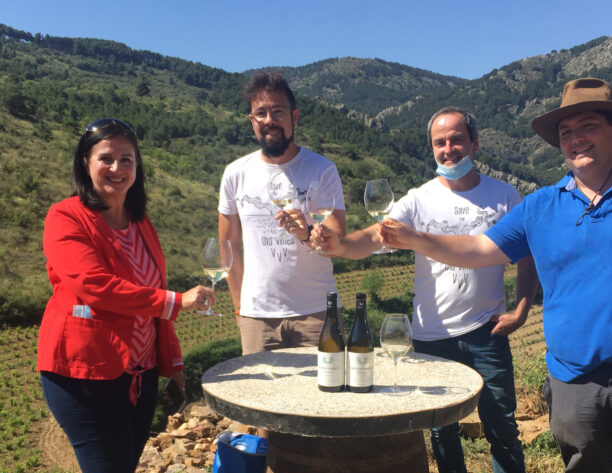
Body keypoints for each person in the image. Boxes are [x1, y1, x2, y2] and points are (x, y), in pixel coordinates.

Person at [379, 78, 612, 473]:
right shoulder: (541, 205)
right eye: (566, 132)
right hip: (573, 382)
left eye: (588, 125)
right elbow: (478, 250)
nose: (576, 139)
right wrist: (415, 238)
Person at [313, 107, 536, 473]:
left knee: (502, 428)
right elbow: (372, 238)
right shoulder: (417, 200)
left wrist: (522, 309)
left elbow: (527, 256)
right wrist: (337, 246)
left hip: (486, 331)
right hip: (432, 335)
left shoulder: (504, 196)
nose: (449, 148)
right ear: (431, 149)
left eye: (457, 139)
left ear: (475, 143)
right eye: (440, 142)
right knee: (441, 434)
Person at [38, 118, 216, 473]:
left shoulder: (139, 221)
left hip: (140, 373)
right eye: (106, 158)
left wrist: (173, 361)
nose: (117, 168)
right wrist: (177, 301)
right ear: (85, 164)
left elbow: (148, 300)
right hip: (85, 374)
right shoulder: (65, 217)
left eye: (127, 159)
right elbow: (95, 285)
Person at [219, 71, 346, 355]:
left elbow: (339, 243)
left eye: (277, 111)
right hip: (257, 317)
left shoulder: (322, 169)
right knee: (258, 398)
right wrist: (240, 308)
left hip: (318, 313)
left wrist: (308, 233)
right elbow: (228, 248)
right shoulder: (235, 174)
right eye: (260, 113)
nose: (269, 120)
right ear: (252, 120)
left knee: (325, 398)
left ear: (294, 117)